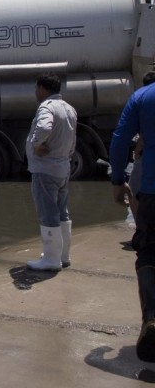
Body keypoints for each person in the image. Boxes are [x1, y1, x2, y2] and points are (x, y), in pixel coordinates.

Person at [109, 69, 155, 362]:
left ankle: (151, 318)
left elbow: (119, 139)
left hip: (152, 188)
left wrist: (117, 179)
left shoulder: (142, 97)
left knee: (149, 253)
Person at [25, 73, 77, 271]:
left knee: (48, 213)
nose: (35, 93)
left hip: (45, 169)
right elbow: (73, 139)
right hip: (63, 167)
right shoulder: (69, 108)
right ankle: (62, 256)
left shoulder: (47, 107)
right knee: (62, 211)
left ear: (42, 88)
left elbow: (44, 127)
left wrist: (37, 144)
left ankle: (50, 260)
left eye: (36, 88)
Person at [127, 71, 155, 220]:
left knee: (132, 191)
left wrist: (137, 152)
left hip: (146, 157)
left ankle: (141, 230)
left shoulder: (144, 99)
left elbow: (143, 134)